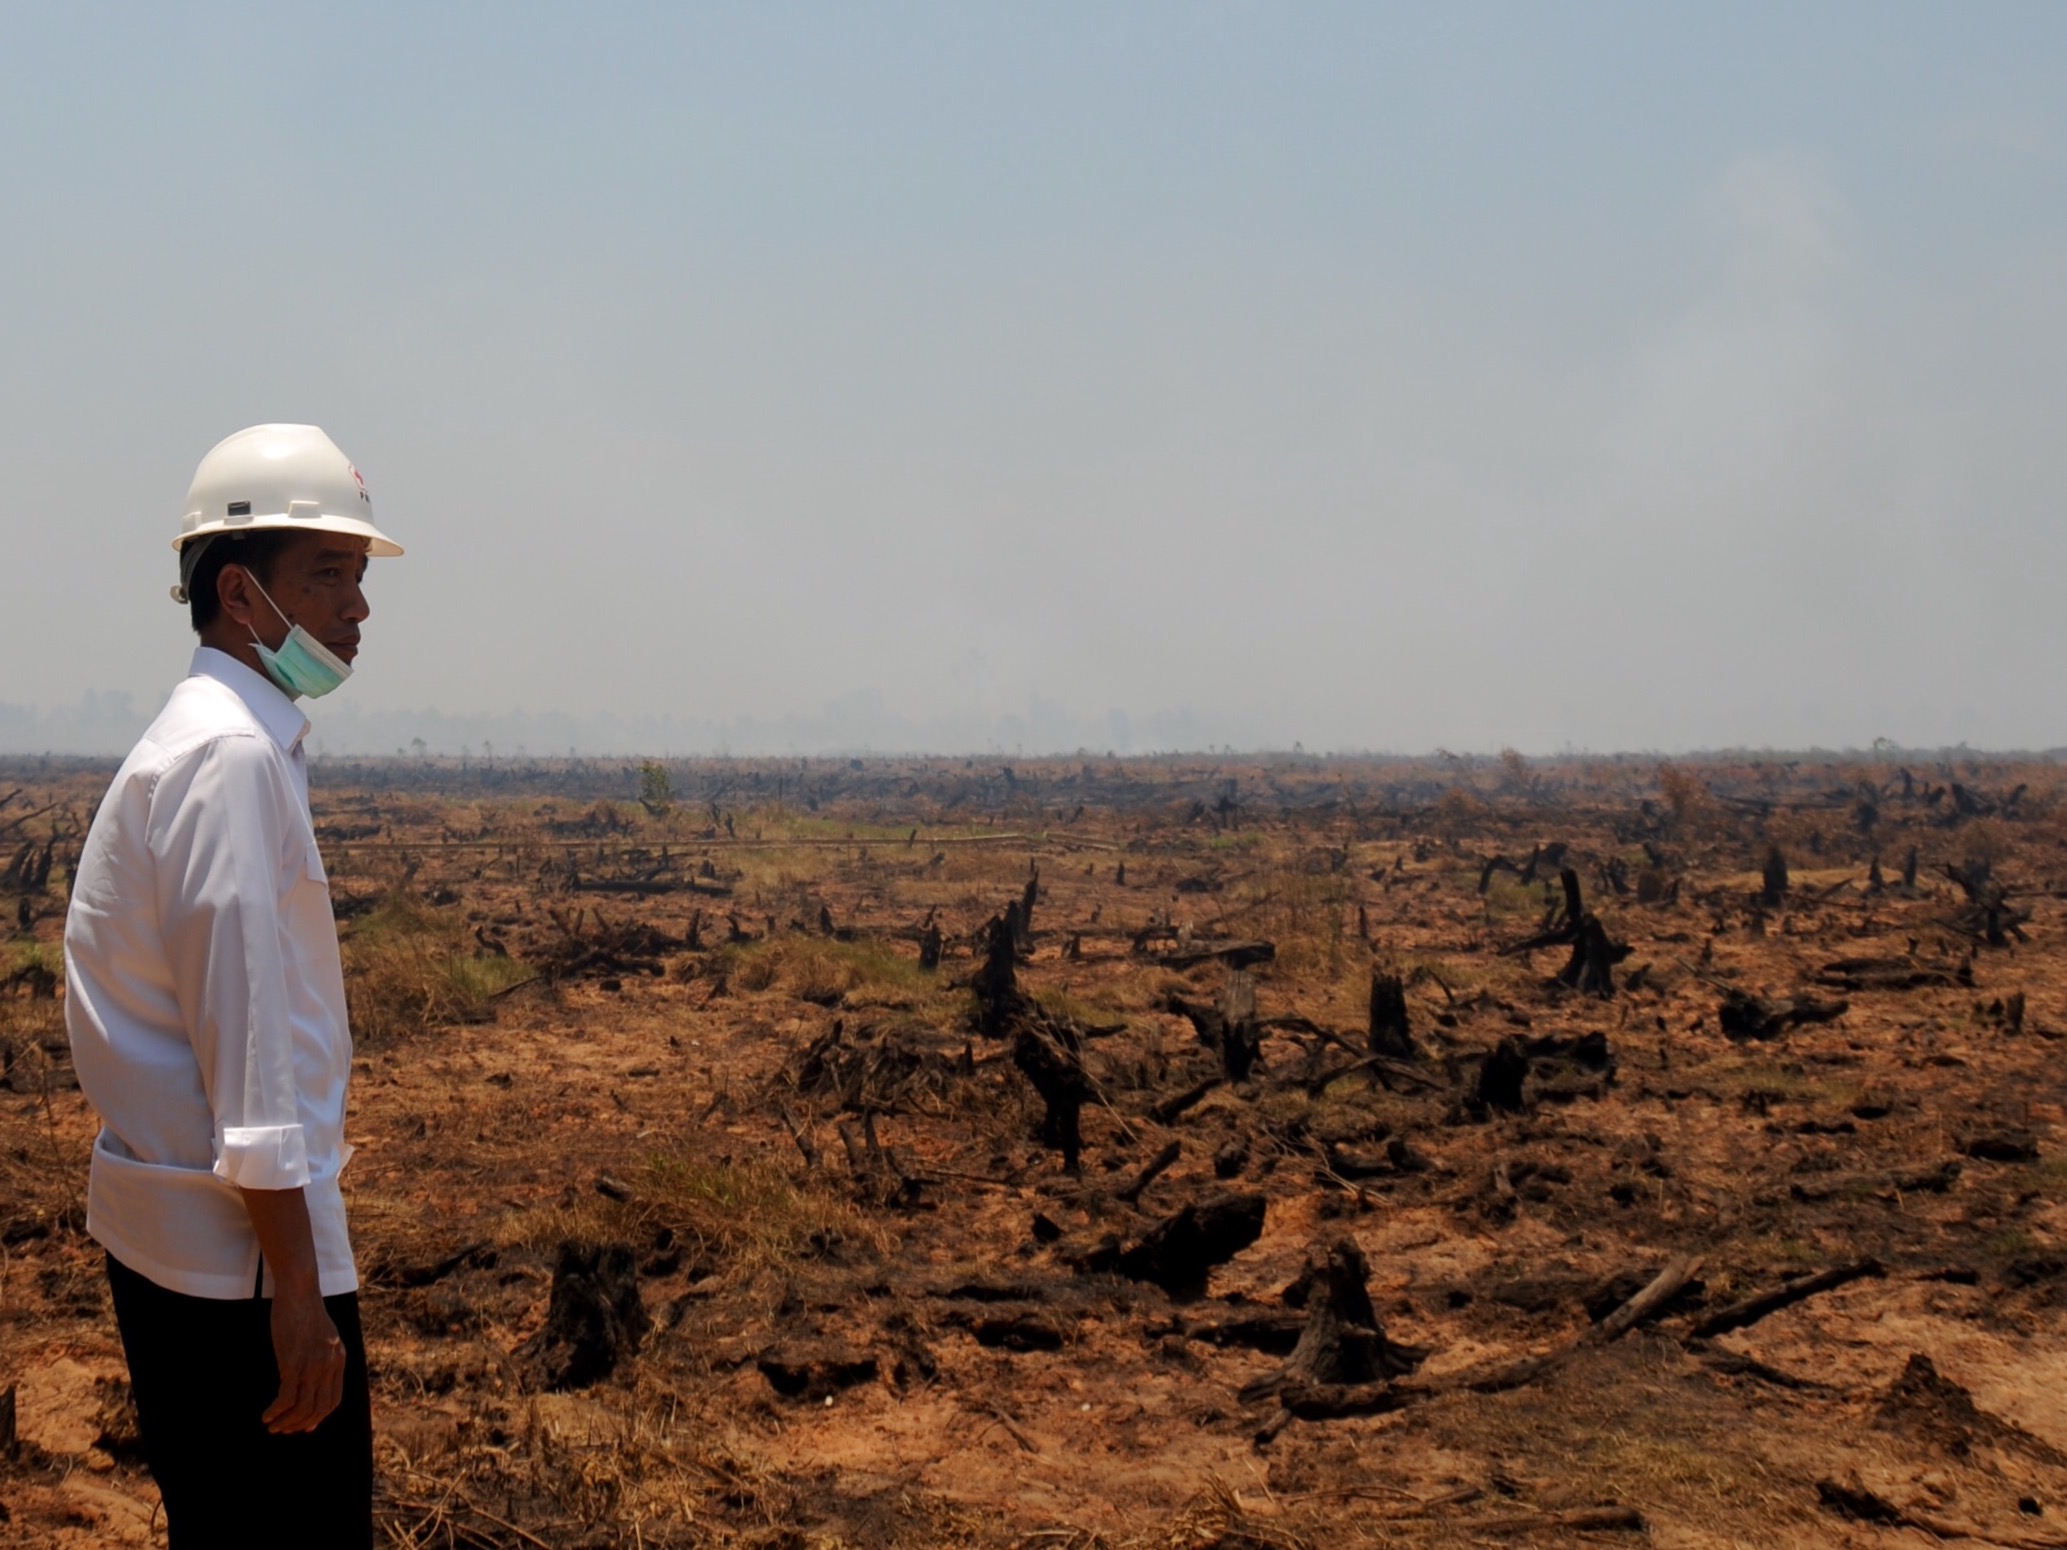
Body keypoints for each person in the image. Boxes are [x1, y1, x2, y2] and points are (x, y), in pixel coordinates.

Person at [64, 424, 403, 1548]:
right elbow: (249, 1060)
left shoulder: (205, 739)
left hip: (183, 1249)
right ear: (242, 593)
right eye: (328, 575)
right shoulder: (232, 758)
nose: (356, 607)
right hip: (242, 1276)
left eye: (359, 577)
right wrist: (299, 1302)